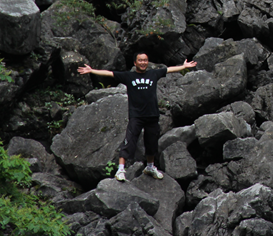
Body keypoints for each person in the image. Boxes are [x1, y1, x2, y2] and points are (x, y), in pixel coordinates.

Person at [78, 53, 197, 182]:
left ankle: (150, 167)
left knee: (151, 143)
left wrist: (184, 66)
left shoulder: (153, 74)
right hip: (136, 115)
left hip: (152, 115)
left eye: (145, 60)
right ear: (135, 63)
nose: (143, 62)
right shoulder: (129, 76)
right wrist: (91, 70)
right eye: (140, 60)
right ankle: (121, 169)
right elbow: (109, 73)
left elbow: (169, 69)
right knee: (129, 141)